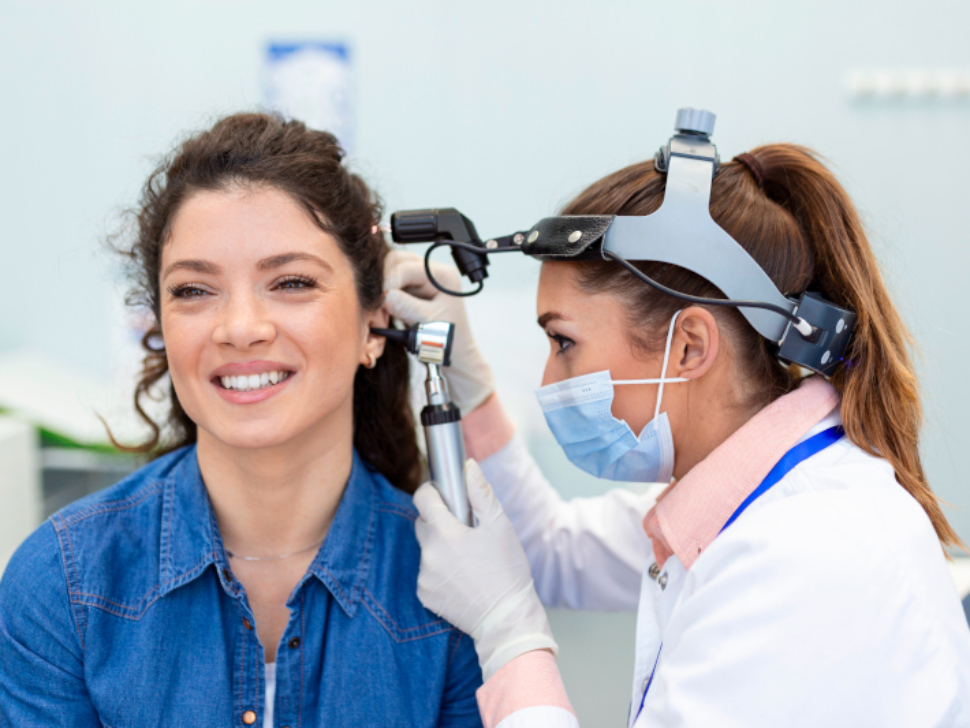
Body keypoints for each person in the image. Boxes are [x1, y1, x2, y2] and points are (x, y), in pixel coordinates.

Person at [384, 143, 970, 726]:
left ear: (689, 346)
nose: (547, 380)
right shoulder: (741, 498)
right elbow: (550, 549)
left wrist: (507, 633)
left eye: (563, 342)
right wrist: (470, 381)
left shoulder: (804, 556)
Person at [0, 113, 483, 727]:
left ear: (373, 327)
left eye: (291, 281)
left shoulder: (452, 585)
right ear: (161, 329)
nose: (241, 328)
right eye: (194, 291)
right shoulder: (63, 584)